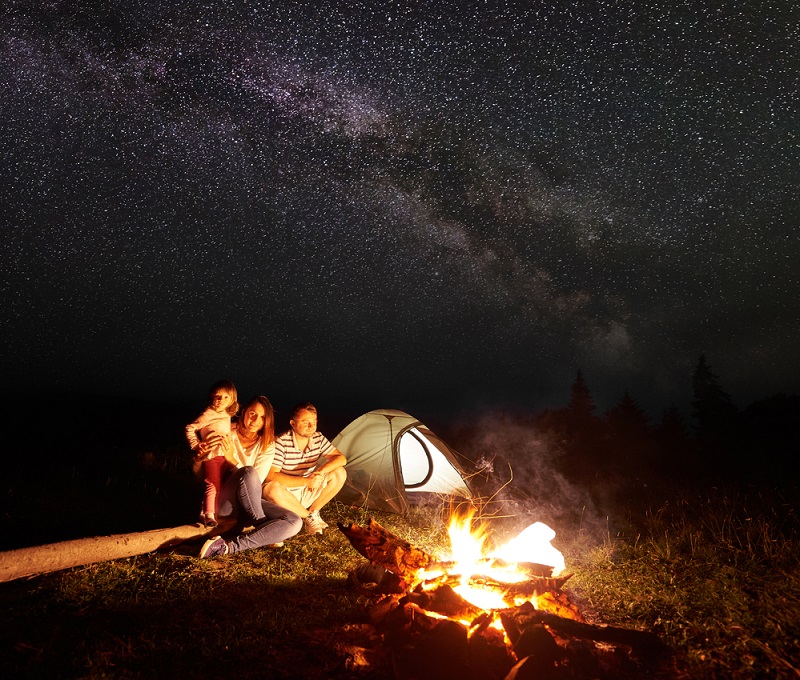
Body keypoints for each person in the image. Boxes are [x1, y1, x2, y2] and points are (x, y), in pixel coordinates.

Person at [196, 395, 303, 558]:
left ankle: (227, 547)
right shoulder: (225, 434)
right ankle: (263, 527)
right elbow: (203, 472)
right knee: (248, 471)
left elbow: (256, 482)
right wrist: (200, 456)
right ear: (244, 411)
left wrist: (232, 460)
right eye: (252, 413)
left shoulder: (267, 444)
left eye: (262, 417)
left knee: (295, 521)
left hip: (251, 501)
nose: (255, 420)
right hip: (225, 503)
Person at [263, 402, 347, 535]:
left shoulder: (317, 438)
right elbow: (271, 476)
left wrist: (319, 472)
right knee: (270, 488)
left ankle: (314, 512)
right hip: (286, 493)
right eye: (305, 422)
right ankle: (307, 517)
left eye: (314, 421)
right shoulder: (281, 442)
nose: (311, 426)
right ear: (293, 423)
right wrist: (306, 481)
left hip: (308, 488)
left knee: (339, 472)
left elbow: (341, 458)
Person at [185, 379, 240, 527]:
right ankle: (210, 515)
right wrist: (196, 445)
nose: (221, 400)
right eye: (218, 396)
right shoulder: (208, 414)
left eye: (226, 397)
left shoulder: (226, 414)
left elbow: (221, 426)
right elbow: (190, 428)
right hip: (212, 455)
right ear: (212, 397)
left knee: (217, 484)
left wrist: (235, 428)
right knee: (213, 485)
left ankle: (203, 513)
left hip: (223, 455)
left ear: (232, 399)